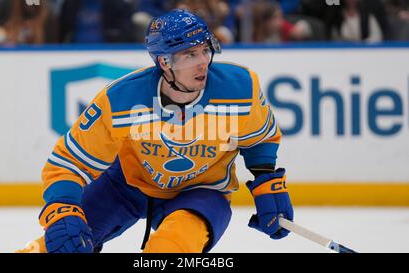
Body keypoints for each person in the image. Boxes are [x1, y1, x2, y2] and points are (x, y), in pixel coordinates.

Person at [17, 9, 294, 253]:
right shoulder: (120, 100)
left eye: (205, 50)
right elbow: (68, 163)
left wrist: (266, 181)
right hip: (126, 186)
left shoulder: (240, 88)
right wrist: (62, 209)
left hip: (203, 191)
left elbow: (260, 139)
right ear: (164, 63)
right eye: (189, 54)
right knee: (57, 246)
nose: (203, 63)